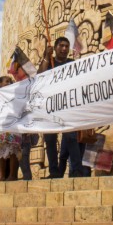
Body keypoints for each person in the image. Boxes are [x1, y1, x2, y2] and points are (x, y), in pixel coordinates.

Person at [38, 37, 73, 178]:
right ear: (55, 47)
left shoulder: (71, 63)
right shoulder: (49, 62)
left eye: (66, 46)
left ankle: (66, 169)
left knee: (70, 138)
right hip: (50, 106)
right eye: (61, 46)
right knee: (50, 140)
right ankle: (54, 171)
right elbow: (39, 76)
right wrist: (47, 57)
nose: (64, 49)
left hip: (66, 105)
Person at [0, 76, 21, 181]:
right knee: (0, 149)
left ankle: (12, 175)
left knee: (13, 149)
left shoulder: (15, 94)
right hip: (0, 125)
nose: (9, 83)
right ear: (0, 83)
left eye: (11, 81)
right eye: (7, 81)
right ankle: (1, 176)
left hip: (13, 125)